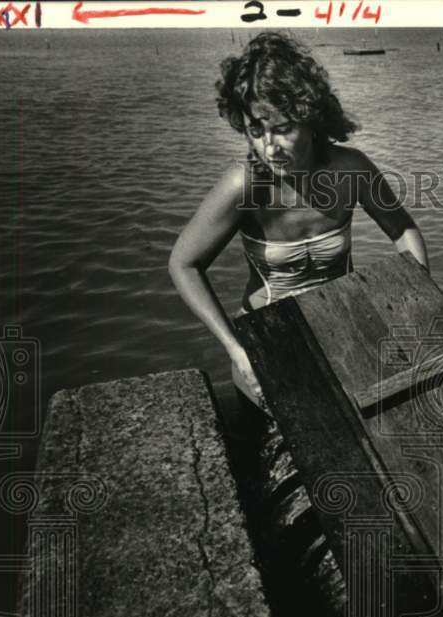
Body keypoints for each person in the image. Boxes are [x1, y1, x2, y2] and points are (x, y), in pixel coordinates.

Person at [169, 32, 428, 407]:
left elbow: (403, 230)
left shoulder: (350, 169)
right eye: (255, 131)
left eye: (282, 128)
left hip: (340, 331)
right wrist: (238, 349)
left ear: (310, 117)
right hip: (266, 343)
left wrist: (416, 303)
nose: (268, 146)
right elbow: (183, 264)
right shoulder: (245, 184)